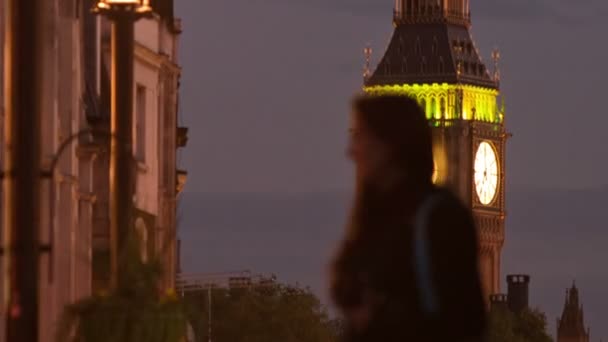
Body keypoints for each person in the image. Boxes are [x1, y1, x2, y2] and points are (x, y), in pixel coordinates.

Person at [330, 94, 486, 341]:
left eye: (361, 137)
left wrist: (379, 316)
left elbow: (463, 321)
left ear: (390, 146)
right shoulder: (373, 220)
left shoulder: (440, 219)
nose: (352, 151)